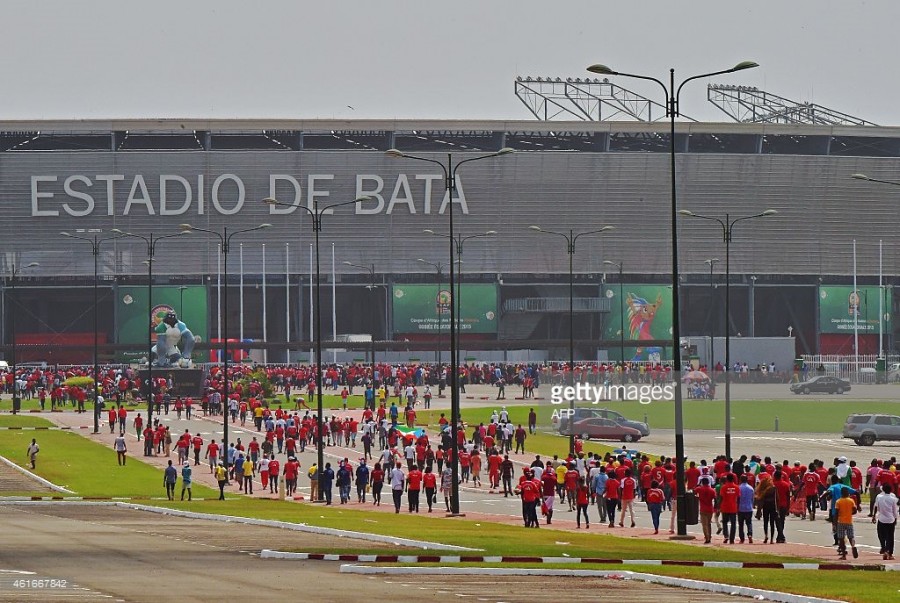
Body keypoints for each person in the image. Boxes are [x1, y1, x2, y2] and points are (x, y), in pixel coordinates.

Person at [873, 483, 899, 560]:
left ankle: (884, 549)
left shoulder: (879, 497)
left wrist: (874, 516)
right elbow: (895, 510)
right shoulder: (893, 499)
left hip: (881, 519)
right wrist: (895, 518)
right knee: (890, 537)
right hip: (891, 519)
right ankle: (890, 553)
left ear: (883, 489)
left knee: (881, 535)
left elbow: (876, 507)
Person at [834, 486, 859, 560]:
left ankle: (844, 555)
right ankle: (853, 546)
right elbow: (855, 510)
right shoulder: (851, 501)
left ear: (841, 493)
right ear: (848, 493)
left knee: (841, 538)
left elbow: (836, 513)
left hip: (841, 521)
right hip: (849, 521)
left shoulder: (838, 501)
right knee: (851, 537)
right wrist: (849, 513)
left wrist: (835, 523)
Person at [695, 477, 717, 543]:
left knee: (704, 524)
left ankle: (707, 537)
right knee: (709, 523)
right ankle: (709, 535)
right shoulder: (712, 490)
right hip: (710, 508)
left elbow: (694, 491)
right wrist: (716, 507)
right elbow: (715, 499)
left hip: (703, 508)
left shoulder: (699, 489)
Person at [738, 474, 755, 544]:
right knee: (749, 523)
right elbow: (752, 499)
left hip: (741, 508)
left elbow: (738, 498)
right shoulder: (751, 488)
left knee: (741, 524)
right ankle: (750, 534)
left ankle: (742, 538)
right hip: (749, 507)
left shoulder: (739, 488)